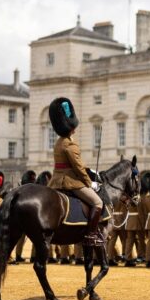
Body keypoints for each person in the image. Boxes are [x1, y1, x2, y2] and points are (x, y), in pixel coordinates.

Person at [46, 97, 104, 247]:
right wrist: (90, 183)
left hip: (55, 181)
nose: (75, 129)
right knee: (98, 202)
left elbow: (73, 165)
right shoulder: (70, 144)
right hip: (69, 181)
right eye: (74, 127)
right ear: (70, 127)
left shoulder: (59, 142)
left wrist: (89, 170)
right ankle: (91, 235)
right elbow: (78, 168)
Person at [15, 170, 37, 263]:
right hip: (31, 218)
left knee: (21, 238)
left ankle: (18, 255)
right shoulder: (34, 192)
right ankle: (33, 256)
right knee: (36, 238)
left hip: (21, 218)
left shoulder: (18, 192)